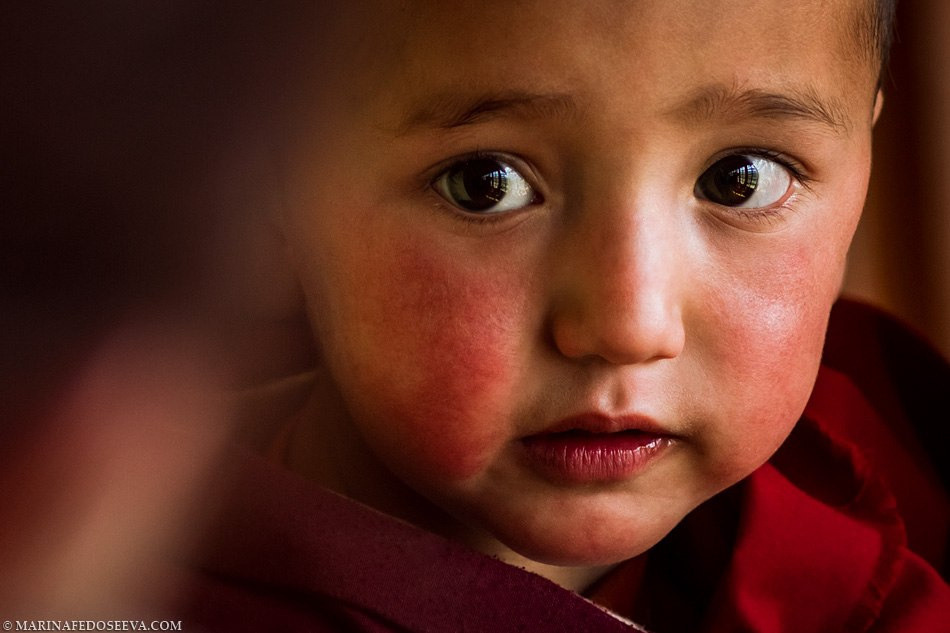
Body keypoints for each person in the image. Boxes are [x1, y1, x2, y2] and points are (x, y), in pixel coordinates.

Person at [6, 0, 947, 630]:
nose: (627, 322)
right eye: (485, 184)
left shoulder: (904, 437)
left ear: (862, 153)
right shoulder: (107, 574)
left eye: (740, 177)